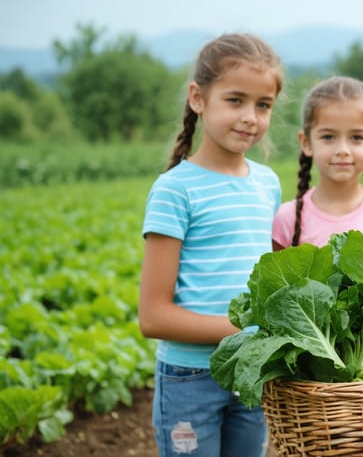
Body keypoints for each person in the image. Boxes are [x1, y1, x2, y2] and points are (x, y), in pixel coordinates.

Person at [138, 33, 284, 457]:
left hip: (249, 373)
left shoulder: (266, 184)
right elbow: (153, 316)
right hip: (189, 380)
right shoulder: (175, 190)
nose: (250, 118)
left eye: (263, 105)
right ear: (198, 99)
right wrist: (244, 330)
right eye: (235, 100)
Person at [271, 76, 363, 250]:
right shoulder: (286, 219)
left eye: (356, 137)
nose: (342, 150)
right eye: (328, 137)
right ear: (306, 143)